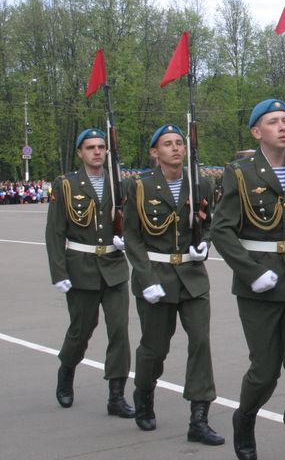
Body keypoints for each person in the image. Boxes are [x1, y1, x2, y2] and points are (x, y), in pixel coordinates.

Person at [211, 99, 285, 460]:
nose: (283, 127)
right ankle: (245, 418)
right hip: (259, 285)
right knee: (265, 370)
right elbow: (221, 231)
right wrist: (252, 272)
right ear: (257, 132)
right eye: (273, 122)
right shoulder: (239, 173)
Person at [124, 124, 223, 445]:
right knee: (155, 347)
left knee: (200, 343)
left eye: (179, 143)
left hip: (193, 278)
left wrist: (204, 243)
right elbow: (132, 237)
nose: (175, 148)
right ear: (155, 152)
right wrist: (145, 277)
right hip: (156, 277)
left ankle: (199, 416)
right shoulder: (139, 187)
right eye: (167, 144)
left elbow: (208, 224)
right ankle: (144, 393)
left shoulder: (201, 184)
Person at [45, 128, 134, 418]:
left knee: (119, 331)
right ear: (80, 153)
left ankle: (116, 396)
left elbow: (134, 223)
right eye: (90, 147)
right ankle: (67, 370)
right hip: (81, 269)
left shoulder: (120, 184)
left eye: (101, 147)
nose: (97, 151)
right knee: (81, 330)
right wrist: (59, 272)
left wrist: (126, 239)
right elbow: (55, 233)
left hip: (114, 268)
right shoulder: (66, 185)